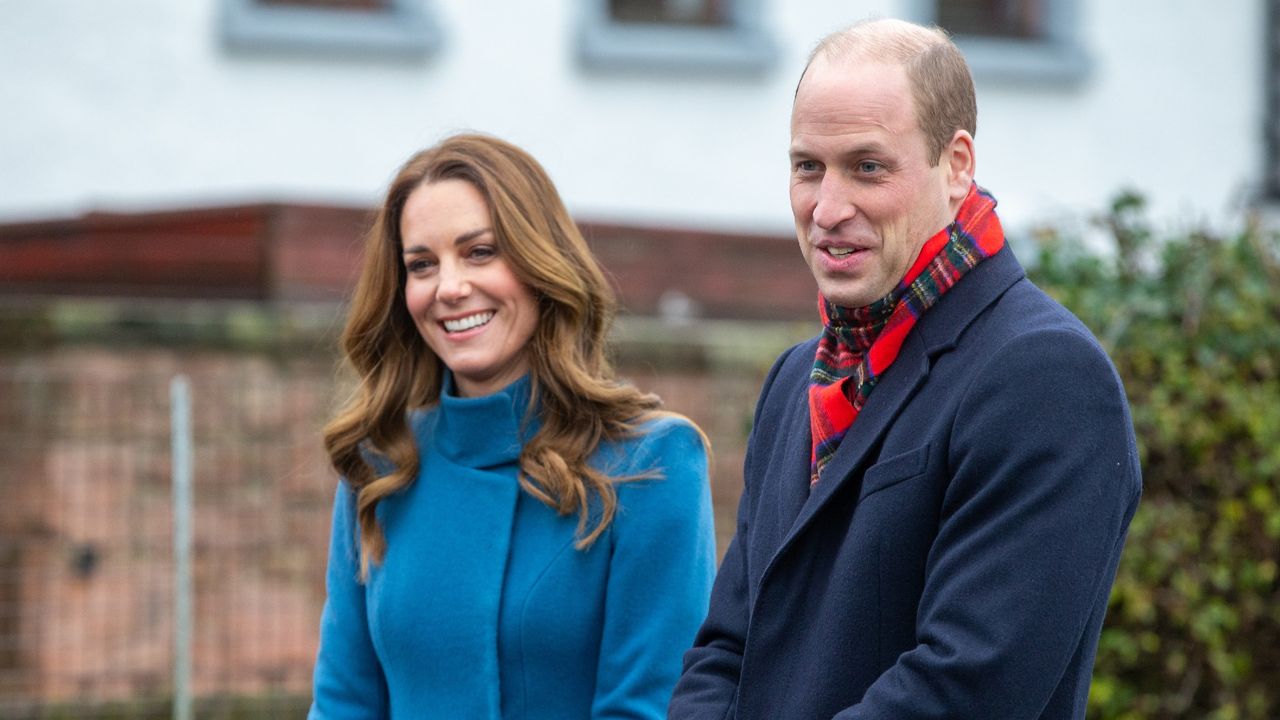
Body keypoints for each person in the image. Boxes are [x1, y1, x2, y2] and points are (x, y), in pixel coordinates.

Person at [669, 18, 1141, 720]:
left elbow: (968, 687)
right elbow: (725, 652)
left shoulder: (1046, 376)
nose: (827, 209)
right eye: (808, 167)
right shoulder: (797, 379)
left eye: (868, 167)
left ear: (956, 166)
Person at [309, 133, 716, 719]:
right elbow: (343, 704)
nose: (448, 288)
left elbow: (646, 706)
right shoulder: (381, 467)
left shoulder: (653, 463)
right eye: (422, 264)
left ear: (538, 264)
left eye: (479, 253)